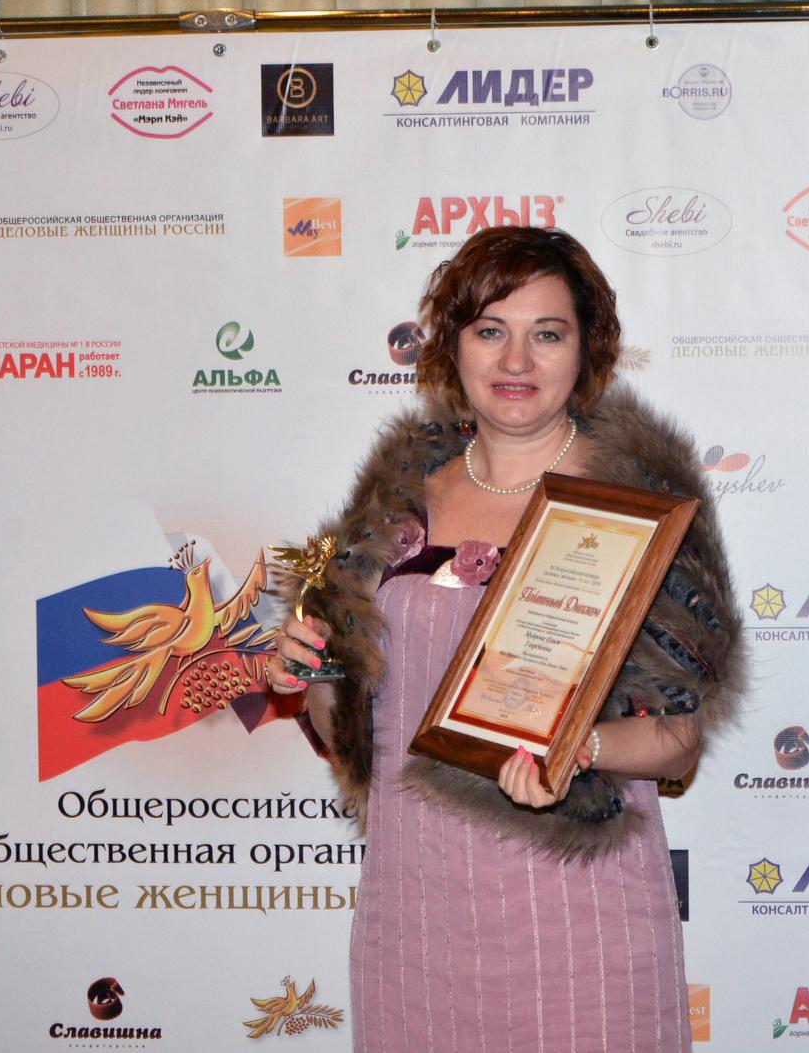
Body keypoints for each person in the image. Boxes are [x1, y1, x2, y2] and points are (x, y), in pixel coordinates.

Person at [265, 226, 744, 1051]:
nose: (516, 359)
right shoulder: (393, 503)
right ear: (452, 347)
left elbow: (680, 739)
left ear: (587, 350)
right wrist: (309, 672)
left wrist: (580, 749)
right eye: (490, 330)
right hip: (414, 912)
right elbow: (353, 728)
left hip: (579, 912)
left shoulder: (635, 504)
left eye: (546, 334)